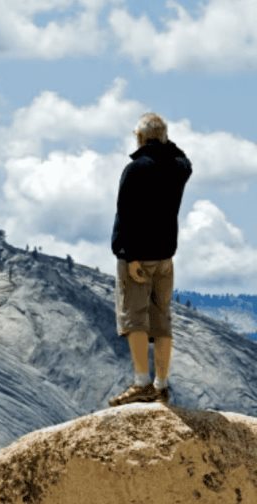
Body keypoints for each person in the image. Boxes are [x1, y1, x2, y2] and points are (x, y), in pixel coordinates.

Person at [107, 112, 192, 407]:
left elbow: (126, 214)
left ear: (140, 137)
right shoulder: (179, 168)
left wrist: (126, 255)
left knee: (135, 318)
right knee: (161, 319)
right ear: (165, 137)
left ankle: (142, 383)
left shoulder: (135, 170)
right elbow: (182, 156)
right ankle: (162, 385)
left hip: (137, 257)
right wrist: (164, 140)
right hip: (165, 257)